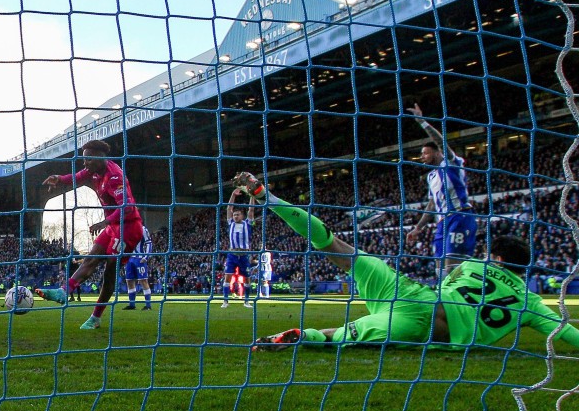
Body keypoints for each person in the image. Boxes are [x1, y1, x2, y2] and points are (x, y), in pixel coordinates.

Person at [230, 171, 579, 351]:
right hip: (430, 330)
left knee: (334, 244)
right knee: (341, 336)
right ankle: (303, 335)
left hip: (409, 293)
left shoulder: (477, 266)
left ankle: (267, 196)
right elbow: (566, 334)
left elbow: (451, 278)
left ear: (497, 258)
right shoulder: (530, 302)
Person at [36, 139, 145, 330]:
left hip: (128, 228)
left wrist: (105, 221)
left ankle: (95, 317)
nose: (84, 163)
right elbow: (77, 176)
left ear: (98, 157)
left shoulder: (114, 177)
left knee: (109, 270)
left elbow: (127, 207)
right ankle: (64, 292)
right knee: (91, 259)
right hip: (113, 227)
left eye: (87, 159)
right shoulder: (95, 172)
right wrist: (60, 179)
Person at [405, 103, 477, 278]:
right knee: (440, 271)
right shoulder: (431, 177)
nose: (422, 157)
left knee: (453, 268)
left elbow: (440, 142)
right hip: (441, 223)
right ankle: (444, 301)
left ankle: (460, 301)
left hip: (459, 216)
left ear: (437, 153)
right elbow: (431, 205)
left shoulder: (451, 163)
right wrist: (418, 228)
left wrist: (422, 122)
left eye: (425, 153)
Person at [223, 189, 256, 308]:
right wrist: (233, 194)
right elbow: (228, 209)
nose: (236, 216)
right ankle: (225, 301)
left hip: (244, 256)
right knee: (228, 277)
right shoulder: (230, 222)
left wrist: (252, 196)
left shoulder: (247, 223)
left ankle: (246, 301)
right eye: (234, 215)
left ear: (242, 215)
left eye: (238, 214)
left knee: (247, 279)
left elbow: (251, 209)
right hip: (232, 255)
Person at [123, 225, 153, 311]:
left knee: (143, 280)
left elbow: (148, 243)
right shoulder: (125, 229)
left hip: (139, 258)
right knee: (129, 281)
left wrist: (146, 257)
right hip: (129, 258)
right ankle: (132, 304)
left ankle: (148, 305)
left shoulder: (143, 229)